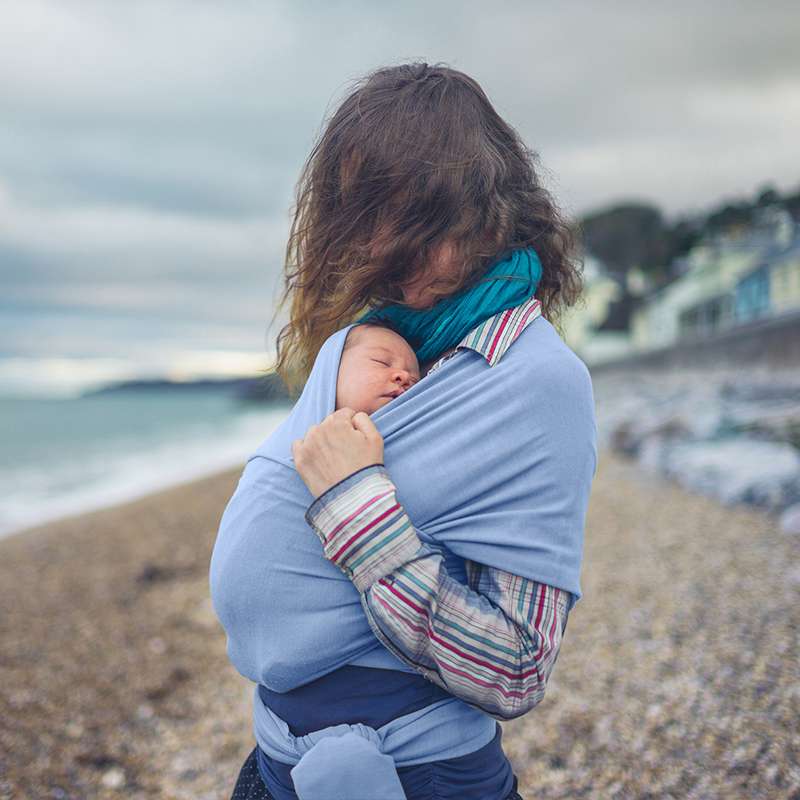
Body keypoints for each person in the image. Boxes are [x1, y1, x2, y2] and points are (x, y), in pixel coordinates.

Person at [214, 61, 597, 800]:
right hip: (272, 767)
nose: (382, 246)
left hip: (418, 778)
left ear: (489, 209)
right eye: (365, 216)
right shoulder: (376, 341)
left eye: (412, 216)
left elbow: (515, 668)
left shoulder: (537, 382)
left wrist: (357, 504)